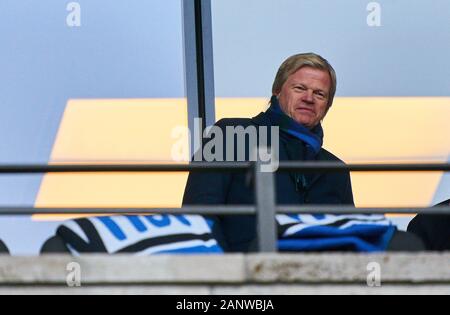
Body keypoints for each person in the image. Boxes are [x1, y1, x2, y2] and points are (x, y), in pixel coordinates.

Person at [183, 52, 424, 252]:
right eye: (300, 88)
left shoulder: (335, 169)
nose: (309, 98)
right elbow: (201, 215)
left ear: (327, 106)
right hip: (247, 280)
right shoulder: (232, 133)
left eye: (320, 94)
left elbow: (350, 238)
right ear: (277, 92)